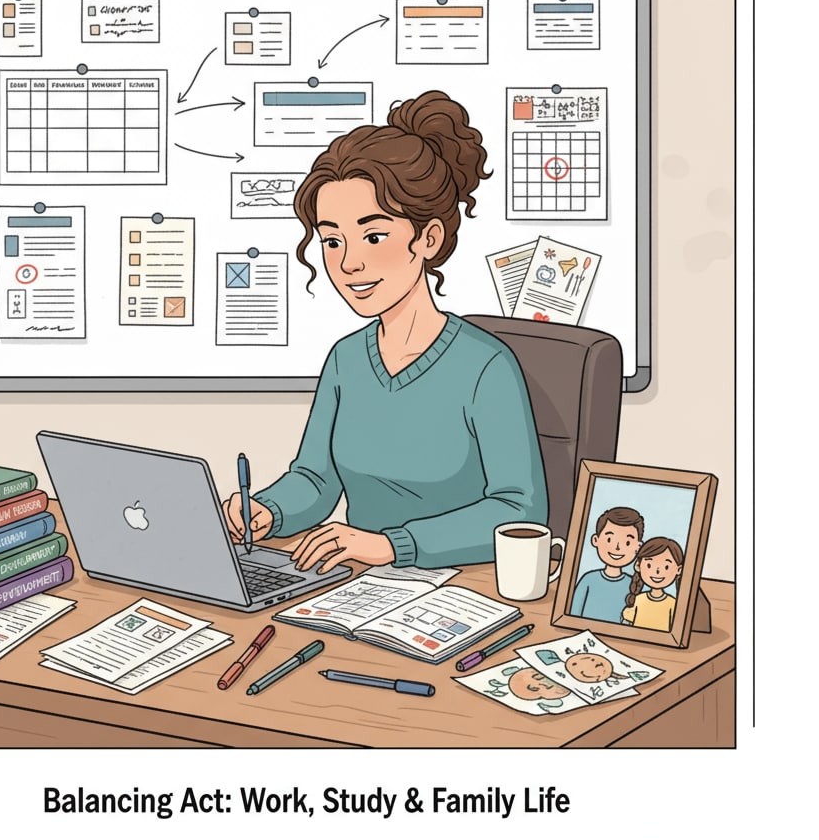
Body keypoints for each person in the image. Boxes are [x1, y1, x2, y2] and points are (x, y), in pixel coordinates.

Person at [222, 90, 547, 573]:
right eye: (332, 240)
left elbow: (519, 511)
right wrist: (270, 509)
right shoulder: (346, 360)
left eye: (374, 236)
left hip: (461, 590)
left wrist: (393, 545)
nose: (349, 263)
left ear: (429, 238)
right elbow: (315, 480)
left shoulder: (486, 366)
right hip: (357, 584)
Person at [570, 506, 644, 622]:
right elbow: (573, 614)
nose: (617, 547)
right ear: (596, 540)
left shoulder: (635, 585)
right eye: (609, 539)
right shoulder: (588, 580)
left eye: (627, 542)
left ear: (638, 547)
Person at [622, 537, 684, 631]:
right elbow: (626, 626)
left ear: (678, 570)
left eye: (666, 567)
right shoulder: (638, 599)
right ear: (638, 566)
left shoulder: (673, 604)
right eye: (649, 565)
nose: (657, 571)